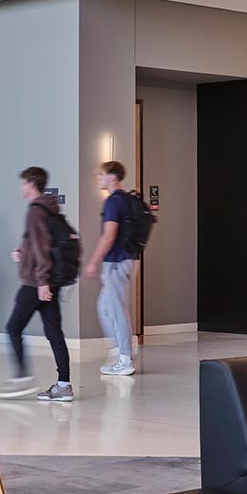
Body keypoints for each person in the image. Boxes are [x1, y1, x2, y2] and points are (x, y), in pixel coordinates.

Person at [0, 166, 72, 401]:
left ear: (31, 184)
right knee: (54, 332)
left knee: (13, 327)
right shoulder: (49, 208)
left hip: (36, 283)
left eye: (23, 183)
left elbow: (41, 248)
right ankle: (64, 385)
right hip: (48, 281)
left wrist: (41, 281)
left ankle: (22, 378)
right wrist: (23, 253)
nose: (21, 188)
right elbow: (41, 244)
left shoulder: (35, 211)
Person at [84, 160, 143, 377]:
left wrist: (93, 261)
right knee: (105, 307)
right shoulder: (126, 200)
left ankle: (124, 359)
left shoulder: (113, 202)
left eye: (100, 174)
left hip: (117, 263)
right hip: (127, 260)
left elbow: (108, 236)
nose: (98, 178)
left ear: (112, 177)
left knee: (117, 310)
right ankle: (121, 349)